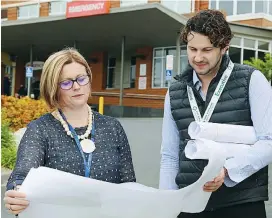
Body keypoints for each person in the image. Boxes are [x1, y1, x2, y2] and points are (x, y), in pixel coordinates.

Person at [159, 9, 272, 218]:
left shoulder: (252, 81)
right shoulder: (174, 90)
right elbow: (169, 156)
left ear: (224, 47)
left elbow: (269, 141)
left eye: (207, 50)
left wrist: (228, 170)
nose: (198, 57)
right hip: (190, 205)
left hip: (241, 204)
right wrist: (167, 205)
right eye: (192, 49)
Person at [4, 48, 136, 215]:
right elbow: (22, 175)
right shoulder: (40, 129)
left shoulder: (112, 127)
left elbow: (129, 184)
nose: (76, 87)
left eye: (81, 79)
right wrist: (17, 192)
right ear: (53, 88)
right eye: (66, 82)